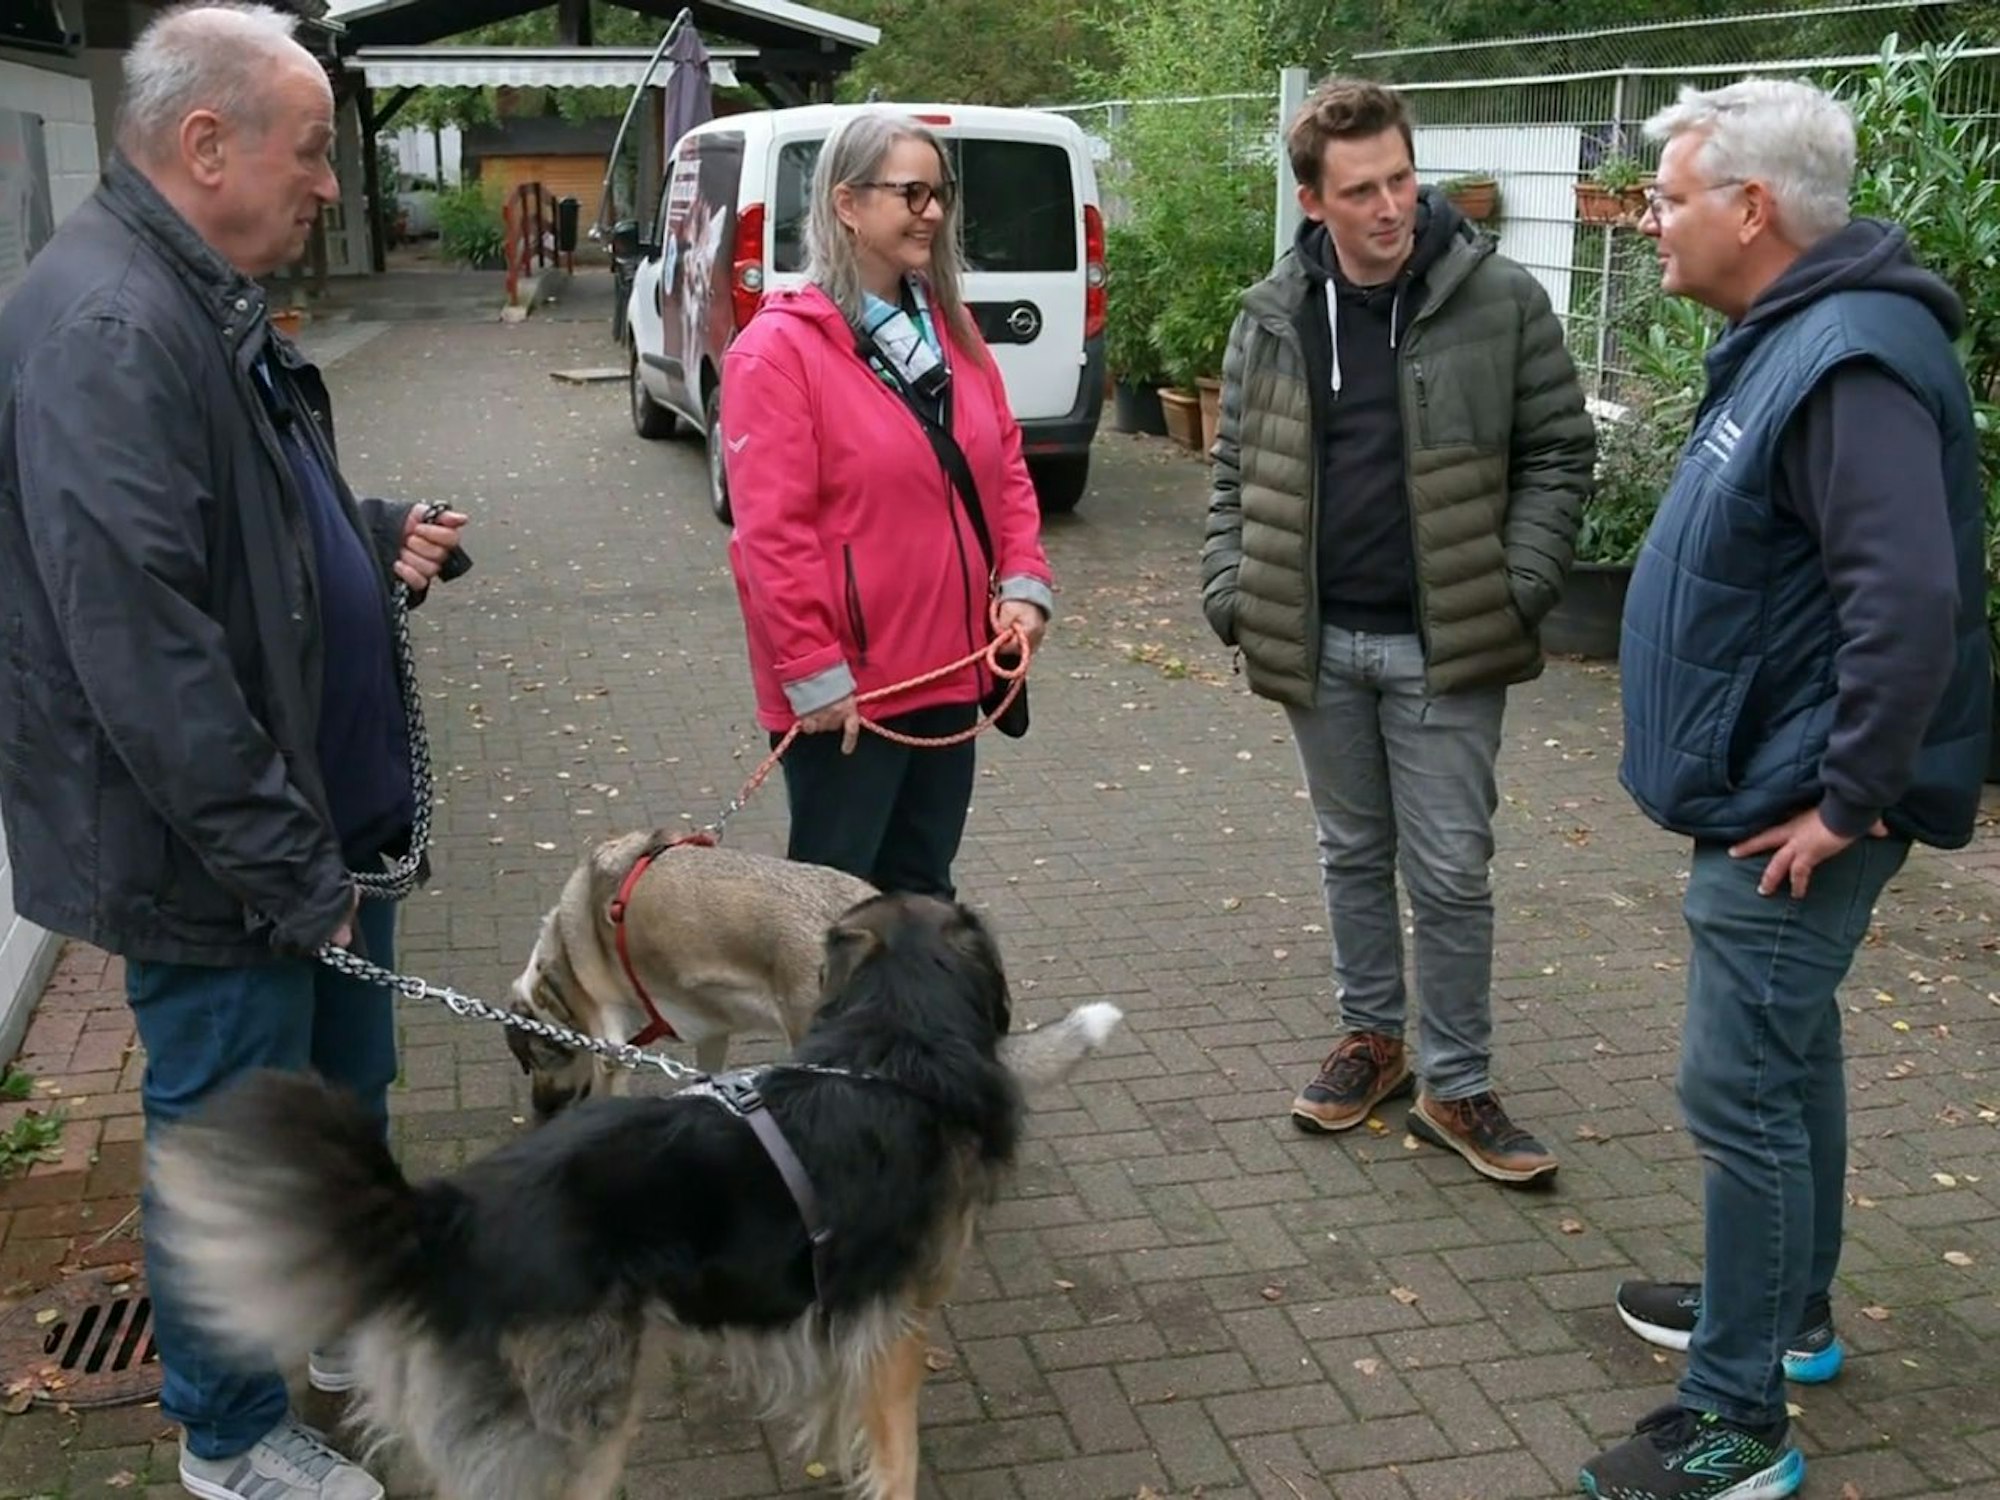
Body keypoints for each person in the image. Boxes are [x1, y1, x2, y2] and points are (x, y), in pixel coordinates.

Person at [0, 6, 469, 1498]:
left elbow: (242, 530)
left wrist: (369, 538)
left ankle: (326, 1317)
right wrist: (286, 870)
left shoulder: (192, 295)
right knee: (235, 1145)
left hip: (308, 839)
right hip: (228, 861)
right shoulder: (111, 328)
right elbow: (142, 649)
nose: (330, 184)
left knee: (336, 1109)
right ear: (207, 145)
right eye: (312, 151)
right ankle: (228, 1438)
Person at [1582, 79, 1990, 1500]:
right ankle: (1784, 1310)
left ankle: (1736, 1420)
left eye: (1670, 197)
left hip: (1795, 811)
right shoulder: (1798, 336)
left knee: (1740, 1084)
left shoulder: (1847, 359)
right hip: (1768, 782)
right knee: (1785, 1057)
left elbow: (1909, 603)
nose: (1651, 220)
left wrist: (1845, 798)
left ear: (1751, 209)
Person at [1200, 78, 1594, 1184]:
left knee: (1452, 869)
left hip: (1447, 641)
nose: (1390, 207)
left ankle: (1456, 1084)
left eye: (1401, 180)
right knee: (1351, 853)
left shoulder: (1498, 298)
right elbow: (1233, 464)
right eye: (1361, 190)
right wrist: (1231, 587)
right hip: (1316, 638)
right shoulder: (1271, 314)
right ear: (1311, 201)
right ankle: (1373, 1040)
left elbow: (1559, 450)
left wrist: (1519, 584)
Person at [721, 110, 1053, 899]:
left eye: (940, 194)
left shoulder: (954, 330)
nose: (932, 213)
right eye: (911, 193)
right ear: (847, 203)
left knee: (923, 893)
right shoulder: (778, 352)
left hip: (952, 671)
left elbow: (1004, 464)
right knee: (835, 912)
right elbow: (772, 537)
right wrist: (813, 672)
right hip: (850, 696)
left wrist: (1024, 583)